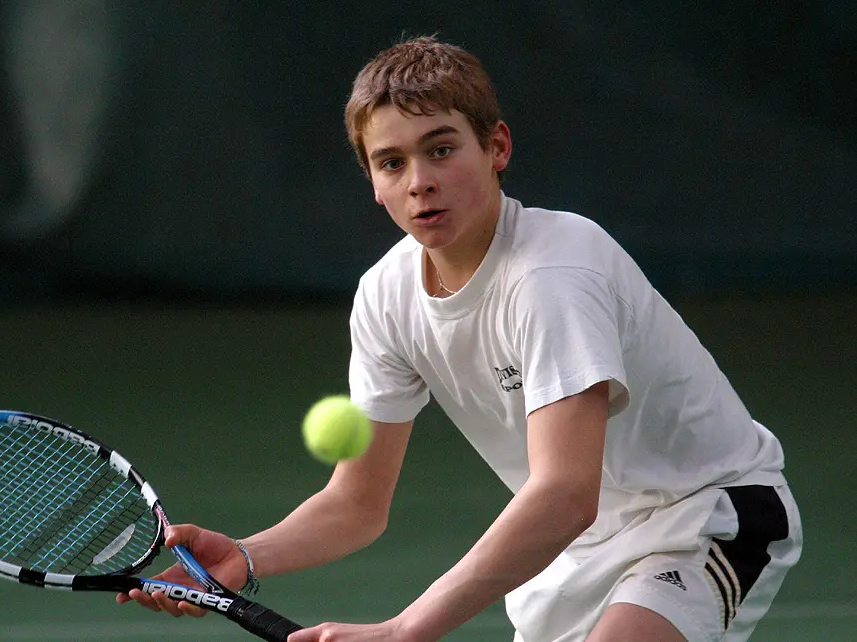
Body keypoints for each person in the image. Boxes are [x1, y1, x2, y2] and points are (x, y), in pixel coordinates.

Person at [118, 36, 802, 641]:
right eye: (391, 163)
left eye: (441, 150)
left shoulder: (555, 272)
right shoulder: (386, 295)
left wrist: (406, 629)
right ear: (373, 183)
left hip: (706, 511)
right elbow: (357, 504)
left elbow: (566, 492)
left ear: (497, 147)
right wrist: (245, 556)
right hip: (579, 547)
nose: (420, 182)